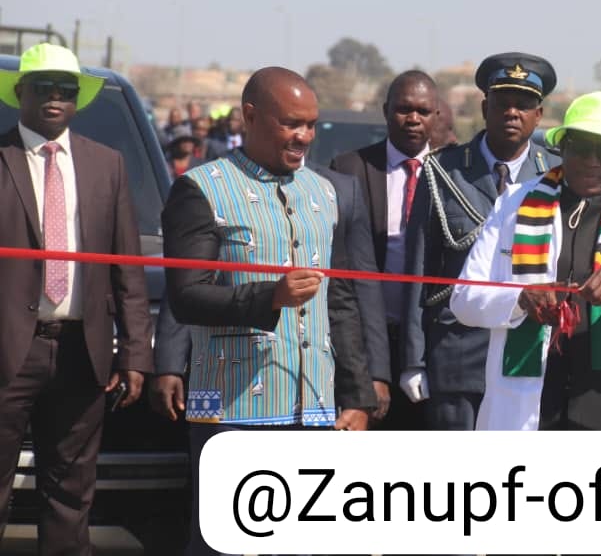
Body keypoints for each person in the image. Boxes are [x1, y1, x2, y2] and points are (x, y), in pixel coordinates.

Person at [161, 67, 377, 556]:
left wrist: (357, 397)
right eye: (291, 124)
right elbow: (186, 294)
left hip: (316, 415)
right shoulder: (201, 189)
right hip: (233, 416)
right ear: (251, 117)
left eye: (311, 124)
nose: (304, 136)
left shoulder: (326, 193)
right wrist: (268, 297)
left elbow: (339, 302)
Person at [450, 91, 601, 430]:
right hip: (530, 397)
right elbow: (464, 300)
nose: (592, 161)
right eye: (581, 148)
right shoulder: (514, 203)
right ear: (562, 148)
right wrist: (519, 298)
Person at [0, 43, 152, 555]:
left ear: (77, 100)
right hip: (6, 357)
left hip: (82, 355)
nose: (54, 98)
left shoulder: (106, 165)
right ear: (21, 93)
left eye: (66, 90)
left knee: (70, 496)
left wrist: (134, 352)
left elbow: (126, 265)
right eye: (43, 87)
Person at [402, 52, 558, 430]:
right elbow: (418, 271)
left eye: (524, 106)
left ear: (539, 115)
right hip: (458, 353)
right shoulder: (443, 170)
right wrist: (414, 359)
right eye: (503, 103)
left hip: (528, 356)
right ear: (486, 107)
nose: (512, 113)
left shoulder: (556, 174)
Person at [330, 70, 439, 429]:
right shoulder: (350, 169)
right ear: (385, 110)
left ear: (436, 116)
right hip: (364, 339)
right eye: (403, 109)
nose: (413, 119)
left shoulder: (450, 174)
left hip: (427, 345)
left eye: (422, 111)